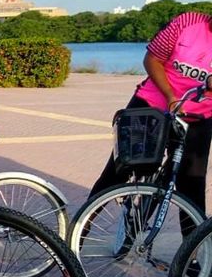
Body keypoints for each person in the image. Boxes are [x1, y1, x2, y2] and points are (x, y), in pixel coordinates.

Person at [88, 11, 212, 222]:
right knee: (117, 172)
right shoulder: (188, 22)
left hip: (198, 116)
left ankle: (193, 244)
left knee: (192, 185)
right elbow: (152, 60)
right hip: (152, 104)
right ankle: (79, 230)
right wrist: (171, 97)